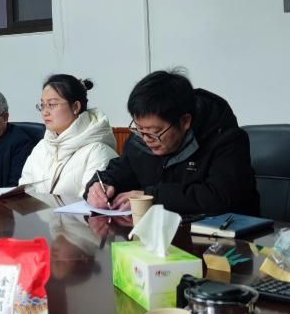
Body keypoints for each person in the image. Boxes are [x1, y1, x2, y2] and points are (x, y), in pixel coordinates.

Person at [87, 69, 259, 216]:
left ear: (185, 121)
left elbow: (219, 197)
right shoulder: (141, 140)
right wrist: (100, 185)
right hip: (159, 234)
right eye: (139, 129)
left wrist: (151, 197)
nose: (146, 139)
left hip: (224, 238)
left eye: (155, 132)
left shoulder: (225, 140)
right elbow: (119, 171)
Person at [19, 75, 118, 200]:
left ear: (76, 107)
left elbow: (92, 203)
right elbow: (23, 193)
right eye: (42, 105)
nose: (45, 112)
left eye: (52, 104)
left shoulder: (98, 151)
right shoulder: (41, 147)